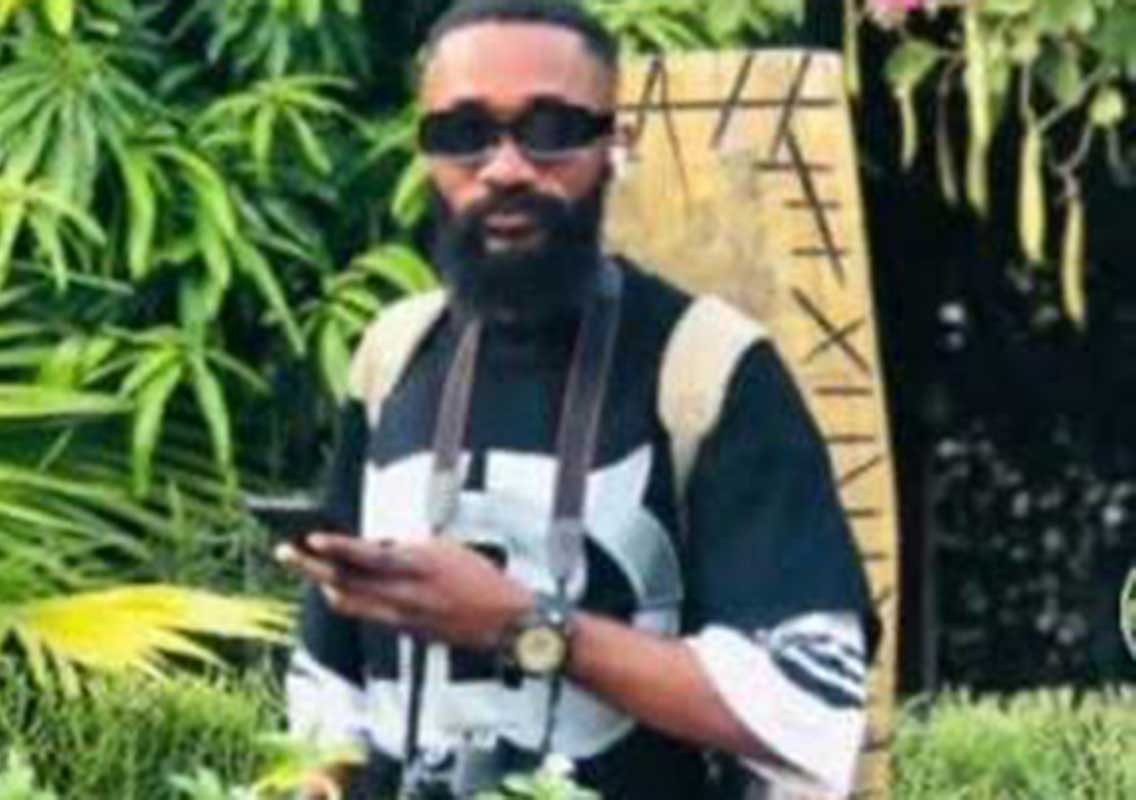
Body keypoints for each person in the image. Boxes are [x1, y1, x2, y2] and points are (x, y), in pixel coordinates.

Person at [278, 1, 879, 797]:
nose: (504, 168)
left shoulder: (710, 366)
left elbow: (811, 707)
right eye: (463, 133)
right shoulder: (393, 354)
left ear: (614, 145)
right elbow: (332, 687)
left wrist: (522, 625)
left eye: (551, 129)